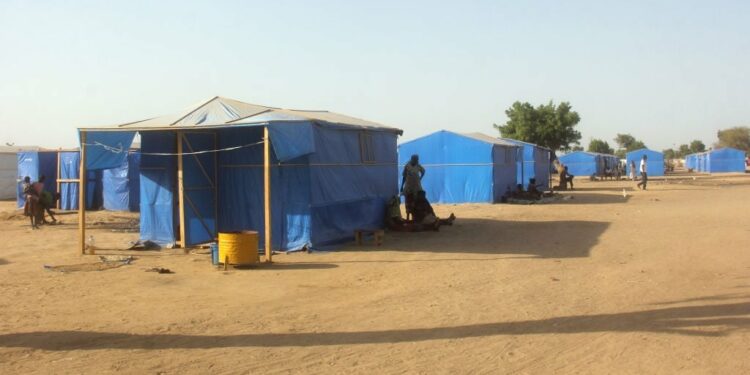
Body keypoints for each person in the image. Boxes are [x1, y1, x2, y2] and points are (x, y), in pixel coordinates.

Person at [400, 154, 425, 220]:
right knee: (408, 201)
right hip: (408, 186)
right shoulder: (407, 166)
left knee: (416, 201)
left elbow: (423, 171)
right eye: (416, 159)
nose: (417, 161)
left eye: (417, 159)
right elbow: (404, 176)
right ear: (412, 159)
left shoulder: (418, 166)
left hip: (417, 187)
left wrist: (420, 178)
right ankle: (407, 216)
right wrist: (402, 186)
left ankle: (415, 216)